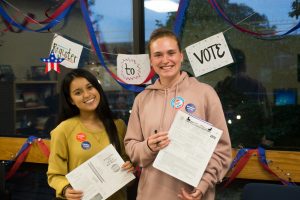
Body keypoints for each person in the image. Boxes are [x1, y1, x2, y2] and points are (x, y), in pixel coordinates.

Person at [124, 28, 232, 200]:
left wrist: (203, 184)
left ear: (181, 56)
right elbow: (131, 146)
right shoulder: (142, 99)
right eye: (158, 55)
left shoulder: (205, 93)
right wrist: (148, 147)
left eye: (171, 53)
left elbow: (222, 149)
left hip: (192, 195)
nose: (165, 60)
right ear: (151, 60)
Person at [47, 68, 134, 200]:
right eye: (78, 92)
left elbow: (127, 162)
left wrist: (129, 167)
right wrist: (65, 189)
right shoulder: (63, 130)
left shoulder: (118, 125)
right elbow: (54, 174)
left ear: (97, 89)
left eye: (90, 87)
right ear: (71, 100)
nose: (87, 95)